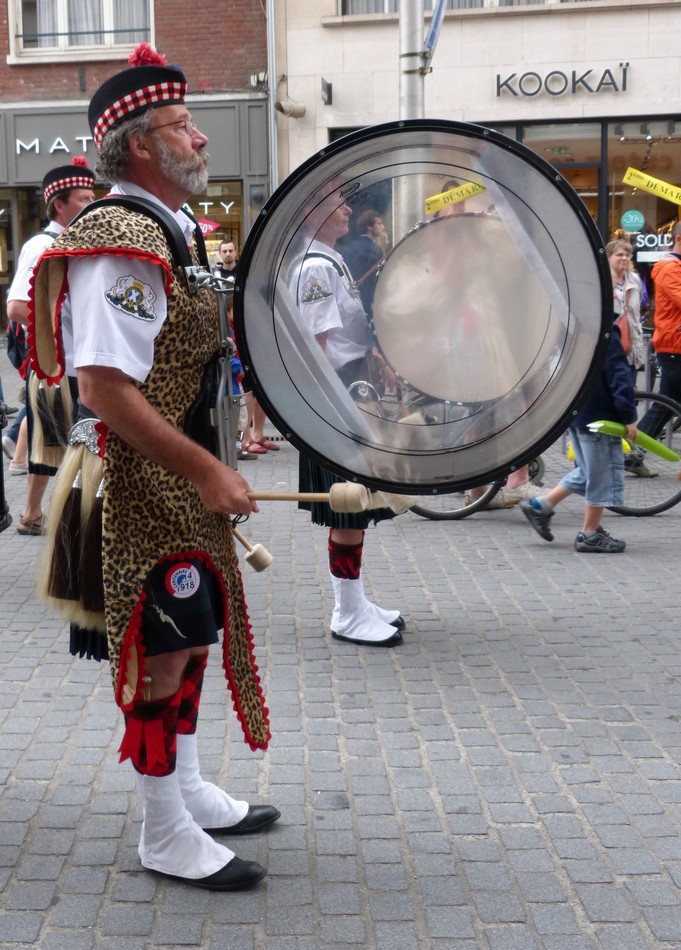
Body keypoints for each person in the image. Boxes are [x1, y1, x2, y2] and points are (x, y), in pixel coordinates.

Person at [29, 44, 278, 890]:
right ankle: (163, 831)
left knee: (191, 635)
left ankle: (190, 790)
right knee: (160, 653)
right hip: (146, 484)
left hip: (180, 478)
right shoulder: (120, 239)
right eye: (183, 126)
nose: (202, 139)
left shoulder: (171, 231)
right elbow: (101, 387)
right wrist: (206, 471)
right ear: (140, 145)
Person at [291, 194, 403, 647]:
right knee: (349, 506)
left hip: (348, 385)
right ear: (311, 212)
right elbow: (316, 345)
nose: (346, 211)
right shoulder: (315, 266)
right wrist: (326, 412)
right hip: (335, 393)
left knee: (357, 508)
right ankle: (346, 612)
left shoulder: (330, 259)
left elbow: (345, 330)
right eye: (336, 204)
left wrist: (372, 356)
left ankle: (355, 600)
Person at [7, 157, 96, 533]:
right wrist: (58, 334)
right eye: (82, 198)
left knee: (61, 444)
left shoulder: (71, 243)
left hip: (77, 363)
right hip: (58, 364)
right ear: (59, 203)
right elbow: (17, 307)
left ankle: (36, 514)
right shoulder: (40, 245)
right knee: (54, 446)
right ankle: (37, 515)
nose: (91, 204)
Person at [519, 317, 638, 553]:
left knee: (586, 472)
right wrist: (628, 416)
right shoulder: (604, 331)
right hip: (601, 417)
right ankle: (589, 533)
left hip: (577, 411)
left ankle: (539, 506)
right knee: (600, 475)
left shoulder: (572, 329)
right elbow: (619, 376)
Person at [636, 221, 681, 445]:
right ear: (679, 239)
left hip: (675, 344)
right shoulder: (670, 269)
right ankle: (632, 449)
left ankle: (633, 450)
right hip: (674, 345)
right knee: (665, 404)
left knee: (666, 404)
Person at [342, 208, 388, 315]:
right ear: (369, 227)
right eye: (379, 223)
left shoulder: (349, 248)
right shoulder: (374, 249)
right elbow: (378, 280)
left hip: (353, 302)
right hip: (371, 302)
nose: (383, 227)